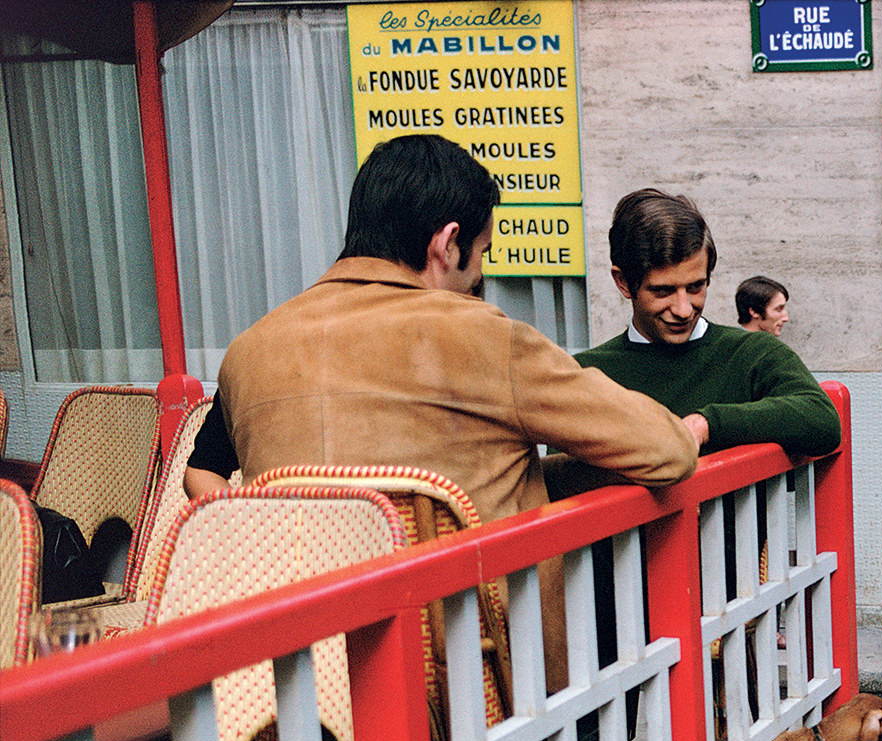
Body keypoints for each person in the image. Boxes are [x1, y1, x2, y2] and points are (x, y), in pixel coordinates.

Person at [186, 135, 698, 687]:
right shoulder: (478, 334)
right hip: (480, 693)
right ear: (447, 243)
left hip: (303, 690)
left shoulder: (251, 350)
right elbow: (666, 452)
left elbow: (203, 474)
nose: (478, 276)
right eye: (481, 255)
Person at [576, 189, 840, 461]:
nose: (683, 309)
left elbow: (822, 420)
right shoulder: (586, 376)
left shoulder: (753, 352)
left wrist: (708, 424)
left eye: (695, 287)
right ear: (623, 282)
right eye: (663, 291)